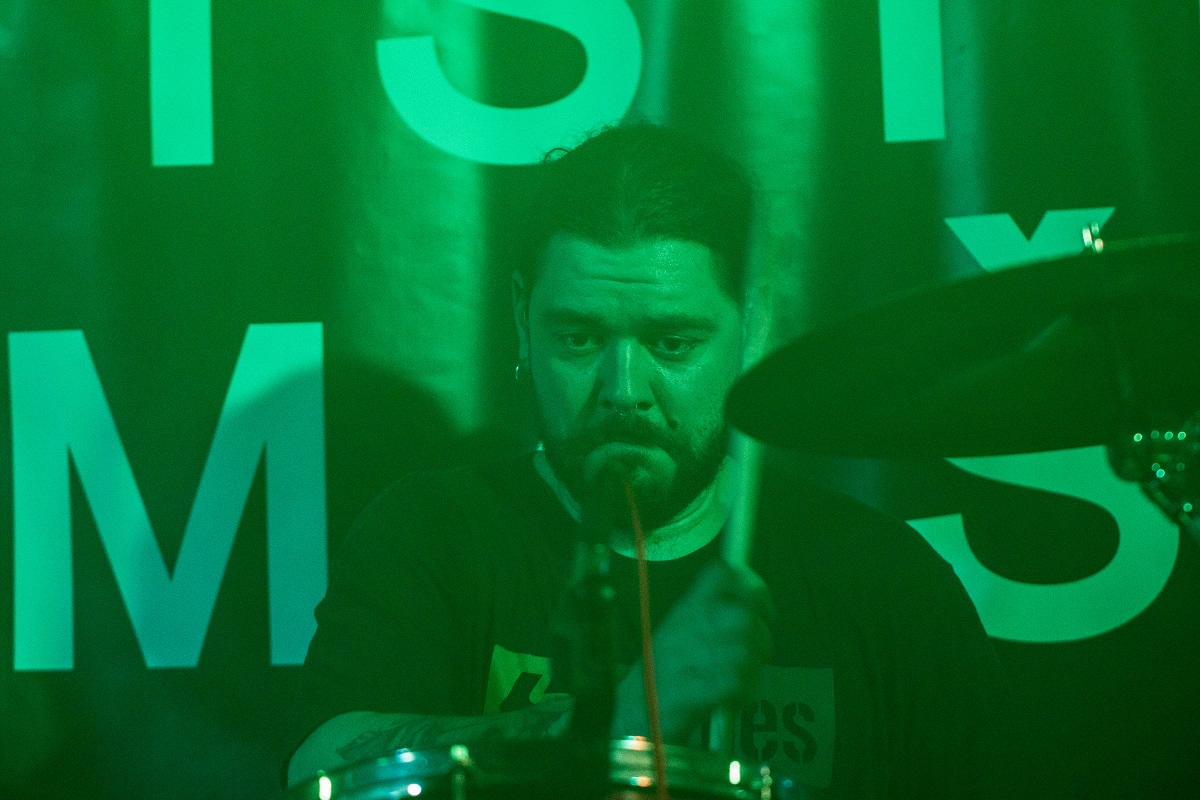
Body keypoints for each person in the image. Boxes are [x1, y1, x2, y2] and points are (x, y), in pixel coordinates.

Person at [286, 124, 1022, 797]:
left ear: (753, 323)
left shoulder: (881, 580)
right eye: (578, 338)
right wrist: (626, 715)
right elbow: (321, 764)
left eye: (673, 343)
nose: (624, 391)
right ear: (521, 319)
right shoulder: (431, 534)